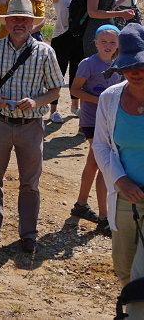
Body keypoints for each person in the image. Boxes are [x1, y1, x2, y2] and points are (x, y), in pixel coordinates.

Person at [0, 0, 64, 253]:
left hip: (31, 125)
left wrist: (36, 102)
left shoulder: (46, 52)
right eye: (15, 19)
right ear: (7, 21)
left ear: (32, 24)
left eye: (24, 19)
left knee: (30, 183)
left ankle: (28, 234)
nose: (19, 24)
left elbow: (56, 90)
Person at [92, 23, 144, 301]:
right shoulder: (109, 98)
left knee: (143, 273)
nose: (134, 72)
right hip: (124, 198)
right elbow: (101, 145)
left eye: (140, 65)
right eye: (127, 66)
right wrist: (120, 179)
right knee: (124, 268)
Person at [70, 25, 122, 235]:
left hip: (112, 121)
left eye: (112, 42)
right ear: (96, 42)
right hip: (92, 120)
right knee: (103, 164)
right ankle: (104, 217)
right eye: (104, 41)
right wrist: (101, 100)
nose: (108, 46)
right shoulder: (88, 63)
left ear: (118, 44)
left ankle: (81, 204)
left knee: (93, 163)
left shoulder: (121, 64)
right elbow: (74, 90)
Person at [39, 0, 86, 123]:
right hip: (61, 35)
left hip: (78, 35)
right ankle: (53, 110)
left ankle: (75, 106)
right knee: (58, 73)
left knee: (76, 71)